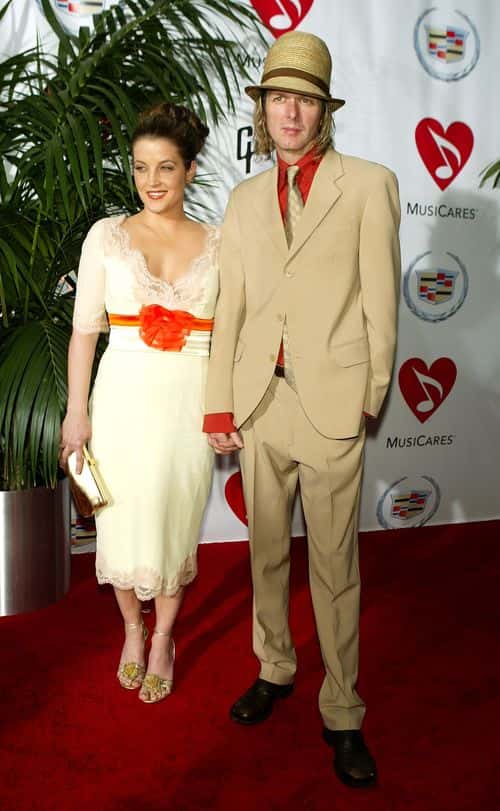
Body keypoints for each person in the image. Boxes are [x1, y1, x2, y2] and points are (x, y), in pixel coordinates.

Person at [203, 31, 401, 786]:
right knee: (265, 553)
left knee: (335, 564)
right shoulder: (244, 199)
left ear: (325, 111)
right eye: (279, 98)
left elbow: (381, 302)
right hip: (261, 402)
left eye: (306, 100)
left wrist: (369, 394)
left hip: (331, 404)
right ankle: (275, 666)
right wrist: (219, 402)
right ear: (263, 109)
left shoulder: (371, 185)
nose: (291, 112)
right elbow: (230, 308)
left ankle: (343, 710)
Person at [60, 102, 218, 704]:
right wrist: (77, 413)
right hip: (121, 398)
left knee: (175, 522)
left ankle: (164, 639)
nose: (151, 181)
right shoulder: (107, 237)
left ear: (190, 171)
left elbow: (233, 336)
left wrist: (225, 410)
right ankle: (132, 628)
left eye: (166, 167)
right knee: (119, 523)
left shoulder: (220, 243)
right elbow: (84, 332)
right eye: (141, 167)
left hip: (189, 403)